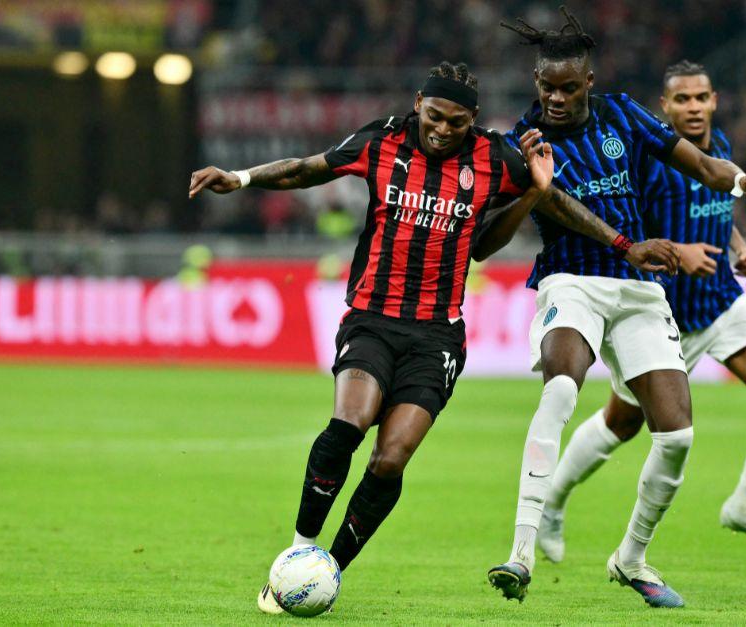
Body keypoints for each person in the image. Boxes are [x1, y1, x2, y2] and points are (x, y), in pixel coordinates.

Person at [189, 61, 626, 614]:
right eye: (436, 117)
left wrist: (563, 210)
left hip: (437, 337)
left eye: (458, 122)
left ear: (473, 120)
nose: (444, 130)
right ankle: (298, 553)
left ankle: (325, 573)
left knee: (390, 461)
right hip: (371, 319)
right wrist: (243, 178)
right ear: (419, 103)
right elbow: (308, 168)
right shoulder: (383, 140)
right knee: (349, 424)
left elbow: (486, 244)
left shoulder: (496, 158)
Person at [483, 9, 746, 608]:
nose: (556, 99)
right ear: (536, 84)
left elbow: (698, 162)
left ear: (589, 82)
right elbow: (550, 213)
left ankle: (632, 558)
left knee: (676, 436)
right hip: (572, 280)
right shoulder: (526, 143)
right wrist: (620, 241)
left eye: (568, 88)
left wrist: (738, 180)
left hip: (638, 287)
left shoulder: (623, 114)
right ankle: (520, 550)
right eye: (547, 88)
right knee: (562, 390)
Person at [538, 59, 746, 569]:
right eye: (681, 100)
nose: (693, 107)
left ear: (714, 101)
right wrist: (677, 250)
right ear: (665, 106)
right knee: (623, 423)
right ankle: (552, 501)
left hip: (721, 299)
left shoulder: (720, 148)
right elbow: (621, 220)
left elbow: (715, 209)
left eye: (701, 98)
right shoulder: (644, 154)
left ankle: (745, 505)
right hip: (663, 312)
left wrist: (739, 246)